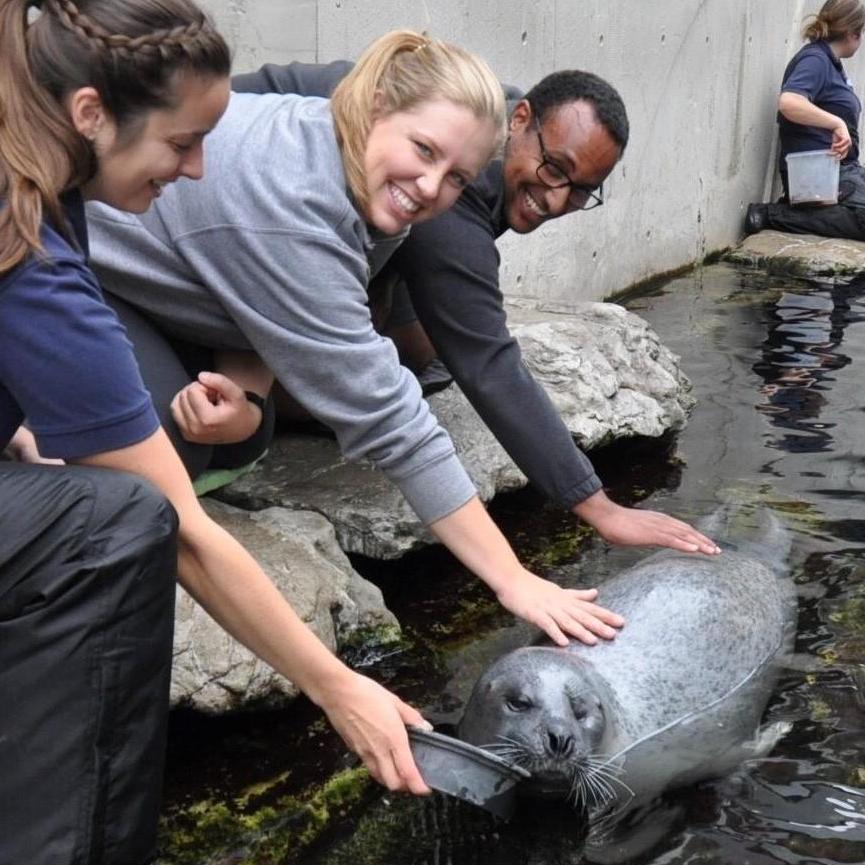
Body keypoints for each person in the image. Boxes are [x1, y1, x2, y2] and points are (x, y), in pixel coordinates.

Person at [0, 5, 504, 863]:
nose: (199, 168)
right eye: (182, 142)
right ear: (90, 115)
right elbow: (187, 534)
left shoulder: (44, 185)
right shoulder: (34, 248)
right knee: (124, 519)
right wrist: (340, 688)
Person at [86, 30, 631, 650]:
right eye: (423, 151)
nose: (430, 187)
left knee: (243, 430)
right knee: (159, 457)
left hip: (169, 282)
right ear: (374, 108)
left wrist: (248, 389)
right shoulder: (294, 204)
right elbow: (391, 419)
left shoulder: (376, 186)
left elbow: (259, 305)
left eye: (455, 178)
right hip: (67, 264)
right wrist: (512, 580)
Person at [223, 60, 723, 556]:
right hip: (209, 187)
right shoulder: (451, 185)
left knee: (422, 357)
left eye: (579, 192)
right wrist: (596, 506)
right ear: (520, 120)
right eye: (555, 171)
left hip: (270, 224)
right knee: (250, 429)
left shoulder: (499, 130)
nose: (555, 200)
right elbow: (485, 359)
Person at [745, 0, 865, 239]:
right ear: (853, 33)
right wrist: (836, 123)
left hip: (842, 172)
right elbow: (789, 102)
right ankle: (772, 215)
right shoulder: (815, 60)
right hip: (820, 177)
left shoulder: (831, 64)